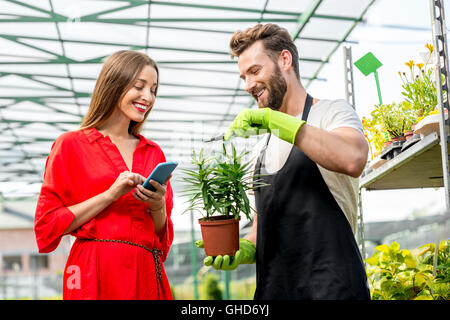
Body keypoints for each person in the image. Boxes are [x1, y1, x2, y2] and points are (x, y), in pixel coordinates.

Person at [197, 23, 371, 300]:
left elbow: (354, 158)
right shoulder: (260, 149)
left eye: (254, 71)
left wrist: (277, 121)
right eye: (243, 76)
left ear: (285, 60)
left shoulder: (330, 113)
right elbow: (262, 229)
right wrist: (244, 249)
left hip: (333, 289)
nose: (248, 85)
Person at [34, 50, 174, 300]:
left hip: (145, 272)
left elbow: (161, 239)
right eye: (139, 86)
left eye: (153, 90)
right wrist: (110, 195)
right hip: (92, 271)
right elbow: (47, 224)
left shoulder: (154, 152)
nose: (148, 97)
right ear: (114, 84)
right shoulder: (70, 145)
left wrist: (157, 206)